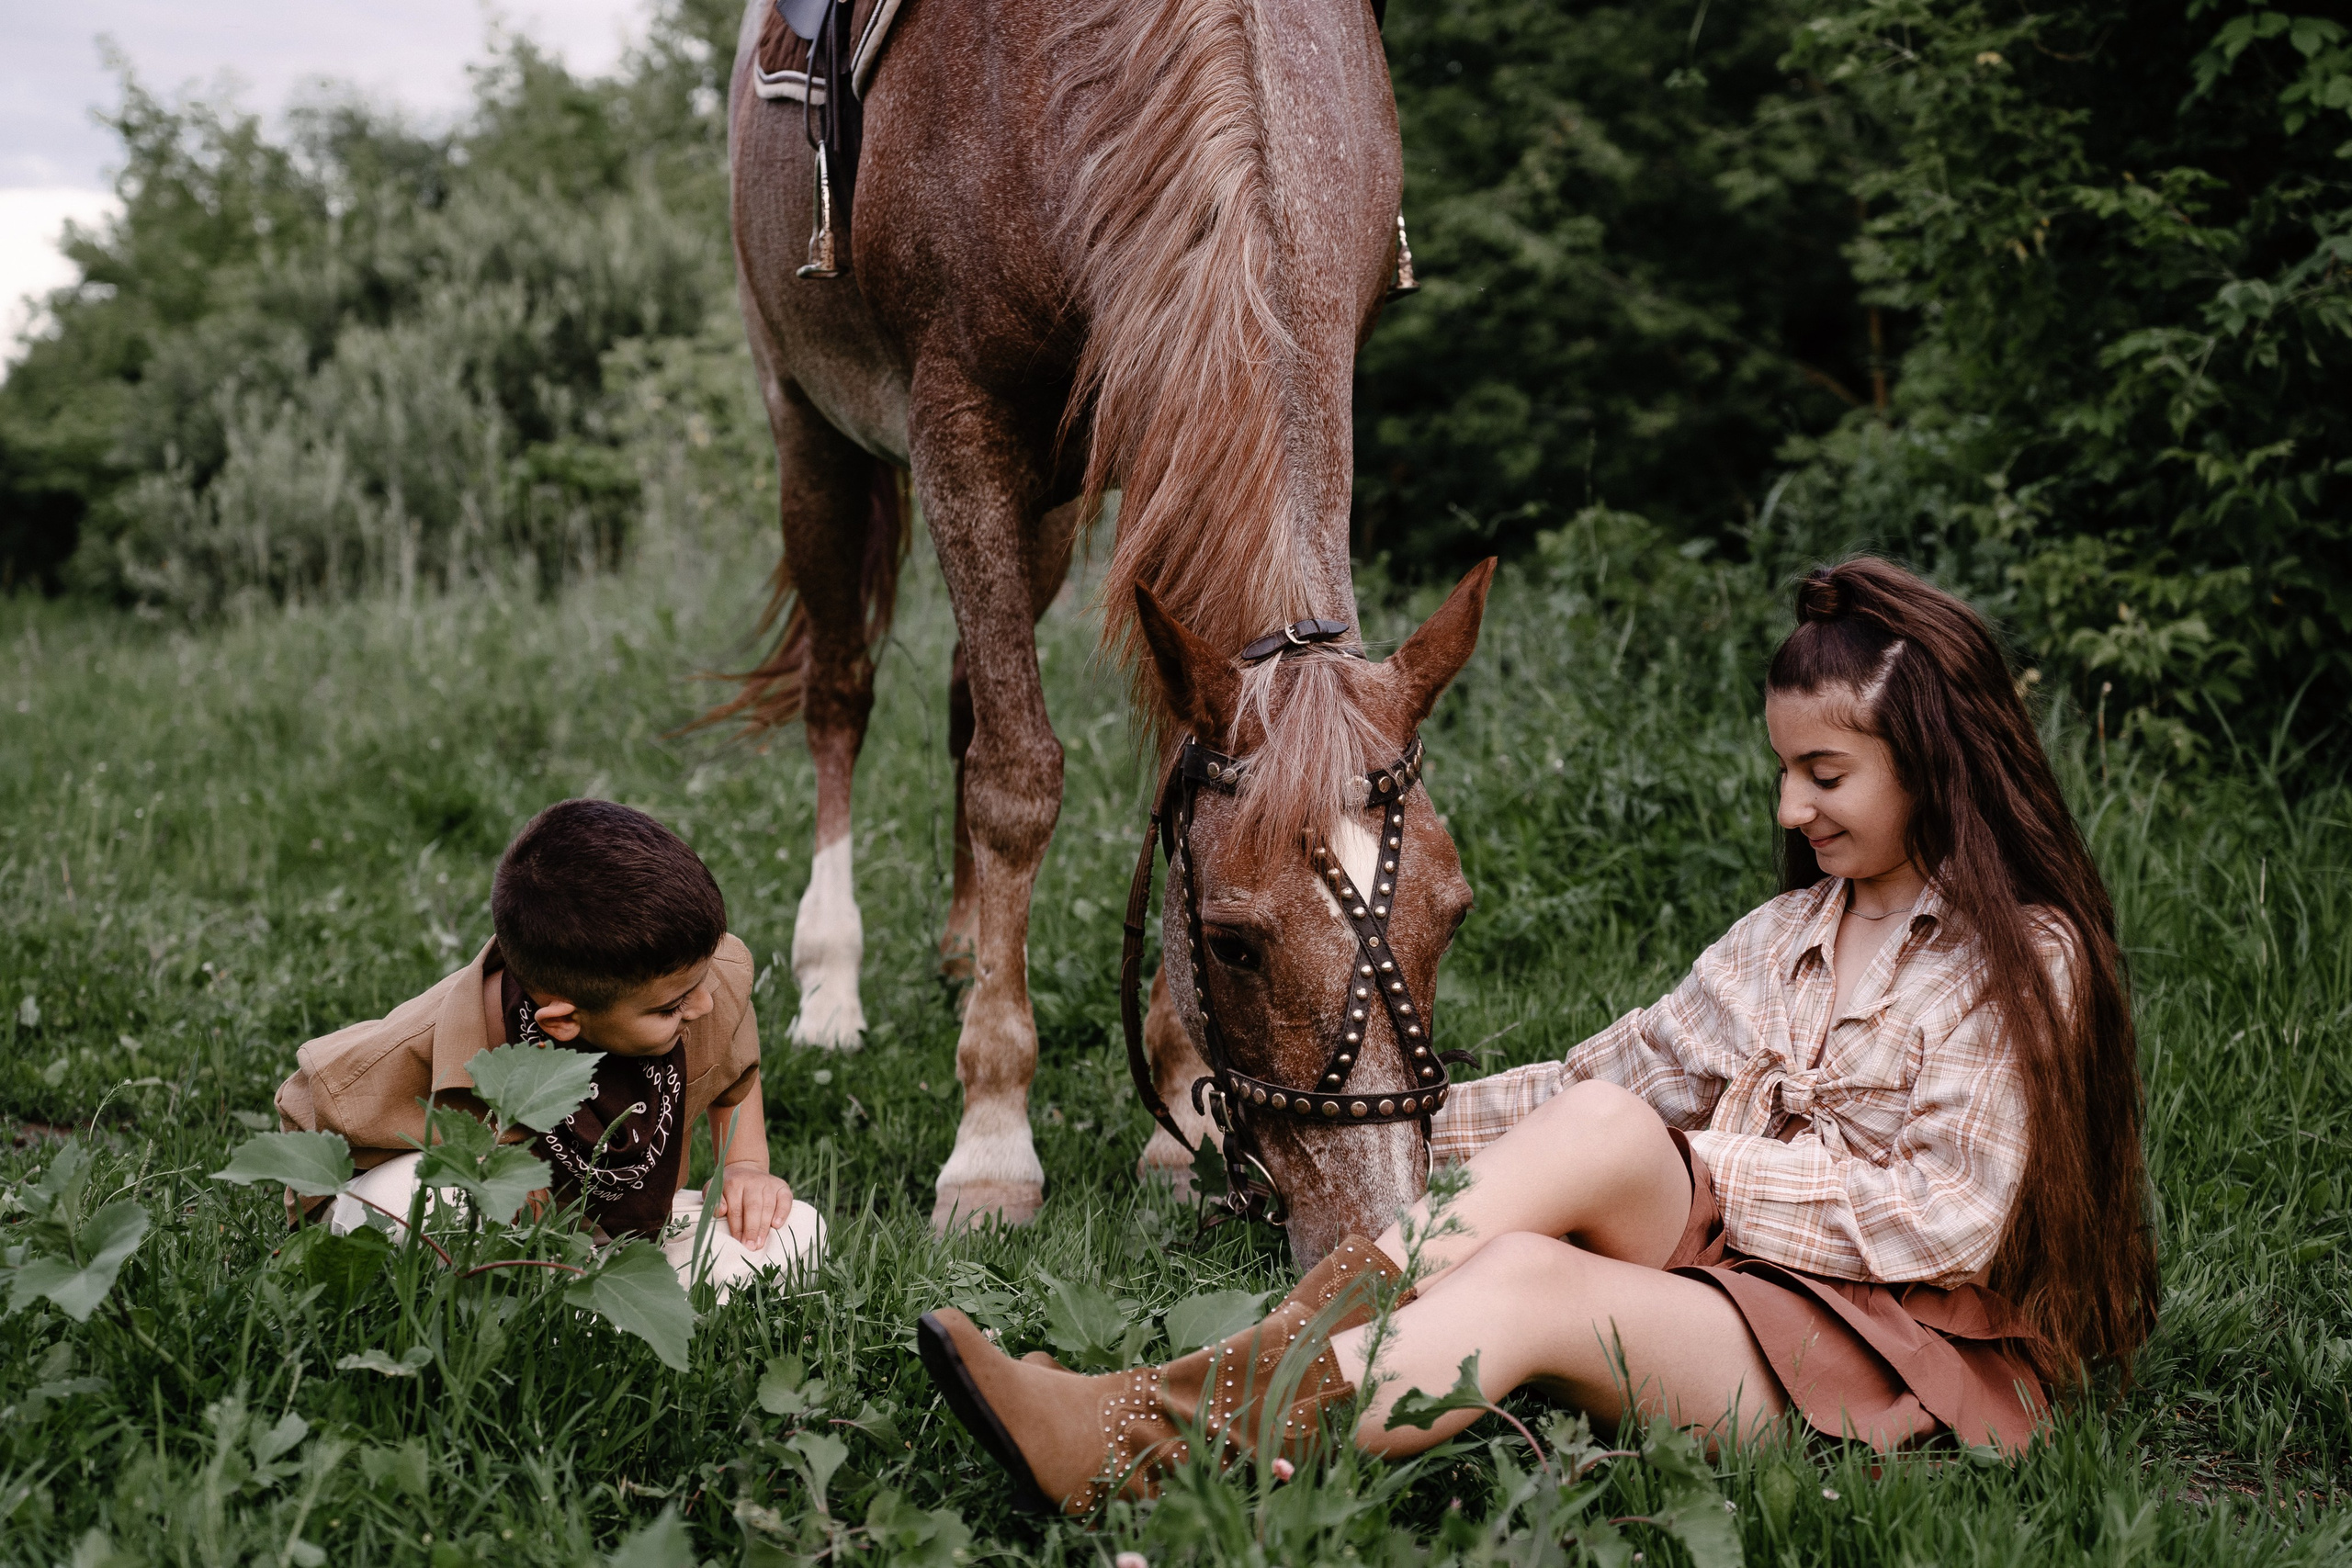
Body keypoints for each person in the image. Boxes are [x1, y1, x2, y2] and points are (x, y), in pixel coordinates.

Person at [915, 558, 2159, 1515]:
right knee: (1556, 1211)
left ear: (1929, 758)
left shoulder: (2021, 957)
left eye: (1825, 773)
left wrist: (1701, 1173)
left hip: (1905, 1362)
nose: (1791, 805)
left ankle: (1140, 1431)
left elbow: (1950, 1213)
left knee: (1596, 1186)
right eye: (1785, 769)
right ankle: (1160, 1433)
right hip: (1751, 1299)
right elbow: (1582, 1092)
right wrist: (1344, 1120)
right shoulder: (1785, 935)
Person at [276, 798, 823, 1297]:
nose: (702, 1004)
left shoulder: (692, 979)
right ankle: (574, 1305)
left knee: (798, 1230)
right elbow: (310, 1105)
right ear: (564, 1022)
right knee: (426, 1199)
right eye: (670, 1009)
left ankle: (597, 1302)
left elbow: (733, 1066)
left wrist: (744, 1166)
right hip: (484, 1223)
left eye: (702, 981)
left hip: (605, 1236)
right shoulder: (422, 1048)